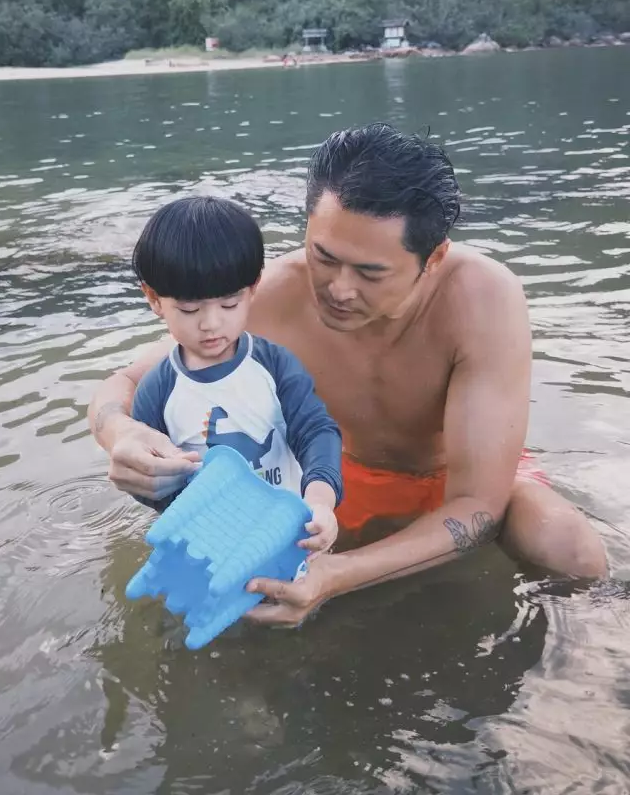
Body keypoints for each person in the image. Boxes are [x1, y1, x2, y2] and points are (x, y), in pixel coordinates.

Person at [89, 123, 608, 627]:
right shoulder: (275, 293)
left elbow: (477, 504)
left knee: (570, 550)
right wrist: (122, 433)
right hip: (335, 476)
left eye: (370, 272)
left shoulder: (482, 299)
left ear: (433, 258)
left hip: (452, 482)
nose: (338, 289)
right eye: (324, 256)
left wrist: (335, 577)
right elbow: (124, 384)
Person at [127, 194, 343, 554]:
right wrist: (156, 490)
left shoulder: (274, 366)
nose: (211, 323)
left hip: (291, 534)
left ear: (253, 288)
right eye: (189, 309)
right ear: (153, 299)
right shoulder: (157, 391)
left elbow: (316, 431)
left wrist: (320, 501)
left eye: (229, 303)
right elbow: (148, 479)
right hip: (209, 545)